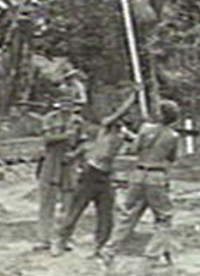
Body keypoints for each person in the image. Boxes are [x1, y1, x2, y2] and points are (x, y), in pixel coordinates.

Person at [51, 87, 139, 258]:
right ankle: (60, 241)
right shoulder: (106, 126)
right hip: (91, 173)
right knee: (75, 211)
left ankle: (100, 247)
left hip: (106, 176)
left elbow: (139, 142)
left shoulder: (123, 132)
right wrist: (132, 98)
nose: (125, 118)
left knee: (106, 216)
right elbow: (117, 115)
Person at [99, 98, 181, 270]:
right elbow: (172, 158)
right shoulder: (173, 136)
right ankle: (151, 257)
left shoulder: (145, 128)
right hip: (156, 177)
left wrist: (133, 136)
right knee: (164, 218)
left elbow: (134, 149)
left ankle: (109, 250)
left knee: (128, 216)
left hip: (137, 175)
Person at [34, 99, 84, 251]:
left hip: (69, 163)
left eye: (69, 106)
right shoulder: (50, 119)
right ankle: (44, 239)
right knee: (46, 202)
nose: (66, 109)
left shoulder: (78, 121)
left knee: (69, 203)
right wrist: (65, 136)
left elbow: (84, 143)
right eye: (63, 106)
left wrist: (75, 155)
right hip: (51, 161)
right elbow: (46, 139)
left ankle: (65, 239)